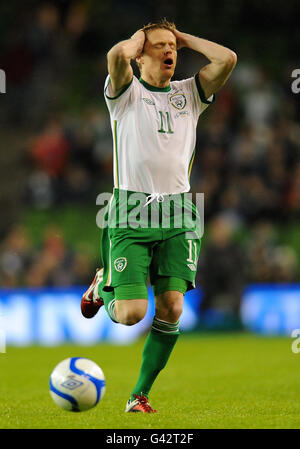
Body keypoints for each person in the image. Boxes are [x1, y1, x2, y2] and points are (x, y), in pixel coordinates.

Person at [81, 19, 237, 413]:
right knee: (132, 314)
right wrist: (138, 41)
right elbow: (116, 55)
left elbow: (228, 59)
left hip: (180, 211)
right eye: (161, 46)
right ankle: (103, 285)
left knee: (172, 306)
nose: (170, 52)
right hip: (131, 210)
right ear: (141, 53)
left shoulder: (191, 93)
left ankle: (139, 395)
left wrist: (184, 39)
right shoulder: (125, 92)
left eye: (174, 47)